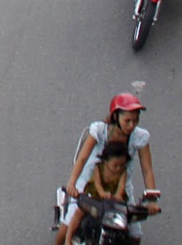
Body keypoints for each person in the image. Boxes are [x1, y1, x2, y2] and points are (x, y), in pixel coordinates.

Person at [56, 95, 158, 245]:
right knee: (64, 231)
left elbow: (147, 169)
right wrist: (72, 184)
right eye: (127, 121)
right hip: (89, 184)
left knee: (135, 236)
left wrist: (152, 199)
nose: (132, 125)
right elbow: (82, 159)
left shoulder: (139, 137)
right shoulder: (99, 130)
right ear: (116, 117)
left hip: (119, 189)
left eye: (135, 121)